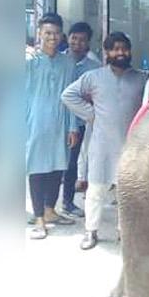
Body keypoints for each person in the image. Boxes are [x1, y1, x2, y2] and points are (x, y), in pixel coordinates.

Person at [62, 32, 148, 250]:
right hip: (101, 145)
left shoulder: (141, 79)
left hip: (131, 147)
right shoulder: (94, 77)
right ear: (107, 52)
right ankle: (91, 232)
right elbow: (68, 95)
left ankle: (124, 233)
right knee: (96, 191)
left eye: (124, 48)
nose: (120, 53)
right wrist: (91, 114)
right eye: (115, 49)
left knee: (126, 193)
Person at [26, 13, 79, 239]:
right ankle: (38, 218)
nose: (52, 37)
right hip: (33, 122)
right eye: (47, 33)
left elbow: (72, 96)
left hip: (61, 123)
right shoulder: (28, 61)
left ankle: (50, 211)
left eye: (56, 33)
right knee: (37, 167)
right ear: (39, 34)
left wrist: (73, 126)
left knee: (58, 167)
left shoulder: (68, 63)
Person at [59, 22, 101, 217]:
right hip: (55, 119)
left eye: (82, 39)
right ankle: (45, 205)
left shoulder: (94, 68)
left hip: (79, 122)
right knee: (50, 161)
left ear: (88, 43)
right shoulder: (59, 60)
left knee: (71, 162)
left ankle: (67, 202)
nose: (77, 42)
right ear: (68, 38)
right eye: (74, 38)